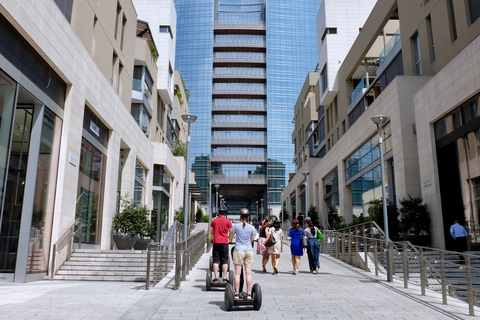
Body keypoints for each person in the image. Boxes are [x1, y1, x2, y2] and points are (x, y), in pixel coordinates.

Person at [230, 208, 255, 298]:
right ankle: (248, 293)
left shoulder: (236, 226)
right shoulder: (251, 227)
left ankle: (236, 293)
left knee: (237, 273)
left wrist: (231, 241)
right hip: (248, 250)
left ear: (240, 217)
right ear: (248, 217)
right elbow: (252, 240)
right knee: (248, 273)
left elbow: (231, 237)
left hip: (239, 250)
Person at [209, 204, 232, 282]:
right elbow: (231, 232)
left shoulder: (214, 221)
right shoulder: (228, 221)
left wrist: (210, 238)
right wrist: (230, 239)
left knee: (215, 260)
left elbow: (210, 232)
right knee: (225, 260)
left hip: (216, 242)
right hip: (224, 242)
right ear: (225, 213)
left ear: (218, 212)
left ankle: (216, 277)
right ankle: (225, 278)